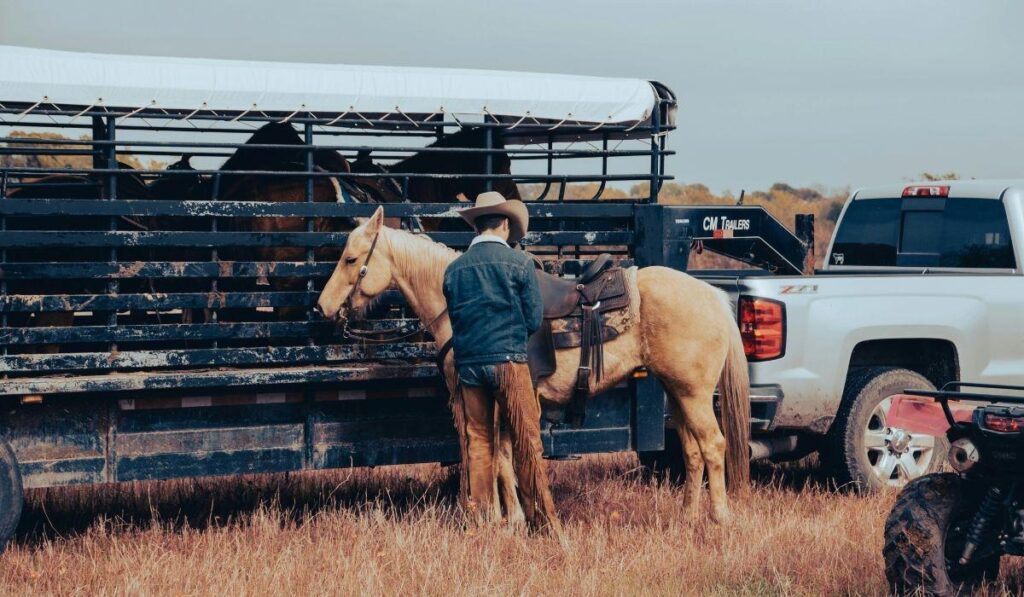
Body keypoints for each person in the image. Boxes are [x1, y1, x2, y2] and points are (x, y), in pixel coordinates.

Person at [442, 191, 560, 533]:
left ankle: (481, 522)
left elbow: (455, 318)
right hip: (508, 363)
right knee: (526, 440)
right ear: (505, 225)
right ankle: (542, 522)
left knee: (478, 442)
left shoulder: (454, 270)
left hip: (469, 366)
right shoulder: (520, 263)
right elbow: (533, 319)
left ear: (476, 227)